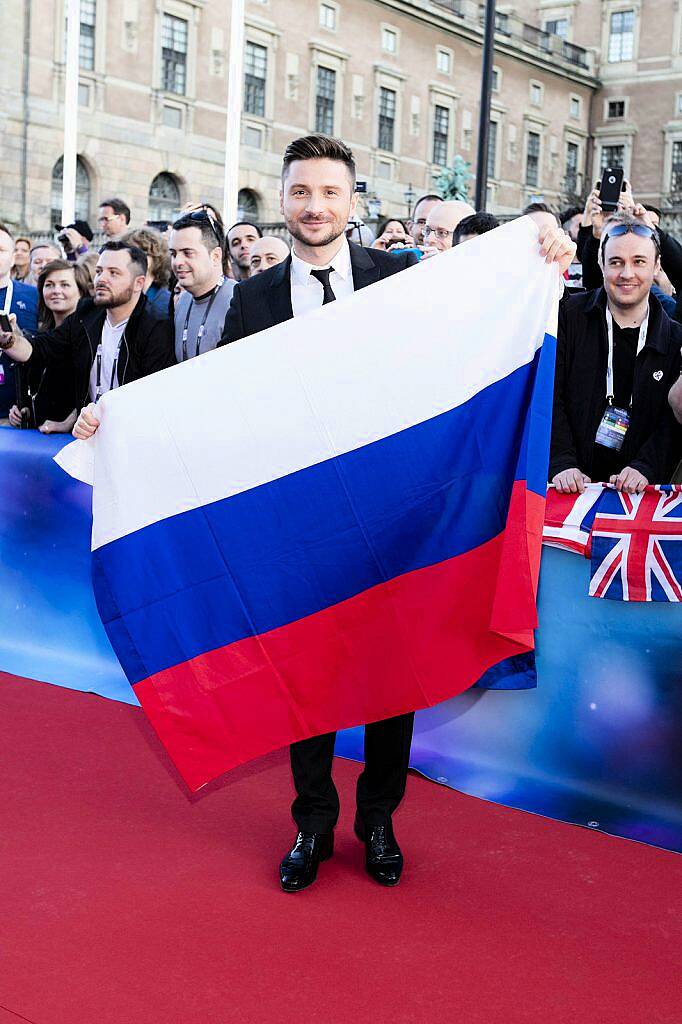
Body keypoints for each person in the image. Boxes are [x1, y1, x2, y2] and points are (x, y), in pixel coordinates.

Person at [220, 132, 576, 893]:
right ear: (282, 199)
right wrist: (108, 419)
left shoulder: (401, 278)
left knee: (391, 672)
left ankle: (377, 819)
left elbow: (484, 301)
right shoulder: (249, 298)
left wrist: (538, 233)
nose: (314, 206)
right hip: (299, 528)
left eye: (330, 193)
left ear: (354, 203)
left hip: (392, 524)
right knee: (306, 679)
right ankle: (311, 825)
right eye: (300, 191)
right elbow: (210, 407)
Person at [550, 212, 682, 495]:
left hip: (637, 501)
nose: (627, 274)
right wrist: (561, 460)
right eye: (616, 262)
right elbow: (549, 394)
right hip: (566, 489)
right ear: (601, 263)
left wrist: (647, 467)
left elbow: (672, 420)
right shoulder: (566, 317)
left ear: (656, 266)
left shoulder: (675, 339)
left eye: (639, 262)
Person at [0, 242, 175, 440]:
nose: (102, 279)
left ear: (138, 283)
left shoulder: (156, 327)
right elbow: (40, 349)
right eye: (99, 271)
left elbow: (152, 401)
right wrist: (9, 340)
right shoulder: (87, 314)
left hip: (134, 439)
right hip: (88, 438)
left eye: (113, 273)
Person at [9, 259, 90, 433]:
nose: (56, 291)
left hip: (75, 439)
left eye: (65, 285)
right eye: (49, 285)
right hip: (38, 439)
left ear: (81, 292)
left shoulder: (89, 339)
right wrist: (24, 411)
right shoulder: (40, 336)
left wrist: (69, 422)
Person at [169, 210, 235, 362]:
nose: (177, 262)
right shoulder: (182, 302)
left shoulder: (238, 300)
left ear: (215, 256)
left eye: (187, 253)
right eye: (173, 254)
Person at [0, 223, 38, 418]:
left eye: (1, 250)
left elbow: (42, 349)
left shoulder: (35, 296)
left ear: (14, 257)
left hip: (15, 415)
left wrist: (17, 336)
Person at [124, 226, 172, 314]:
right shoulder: (120, 298)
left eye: (141, 252)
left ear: (156, 258)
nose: (134, 258)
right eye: (130, 253)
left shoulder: (166, 303)